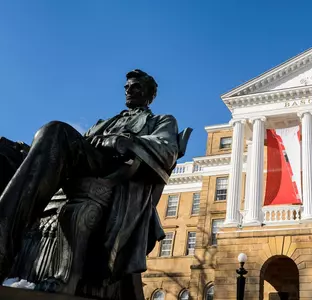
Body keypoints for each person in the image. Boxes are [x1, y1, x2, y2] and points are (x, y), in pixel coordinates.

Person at [0, 69, 179, 284]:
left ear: (150, 94)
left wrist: (123, 141)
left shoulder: (162, 120)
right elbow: (64, 150)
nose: (129, 90)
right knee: (5, 153)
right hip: (80, 166)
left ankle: (4, 246)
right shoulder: (103, 122)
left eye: (136, 86)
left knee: (56, 129)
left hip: (110, 170)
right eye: (127, 87)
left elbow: (166, 150)